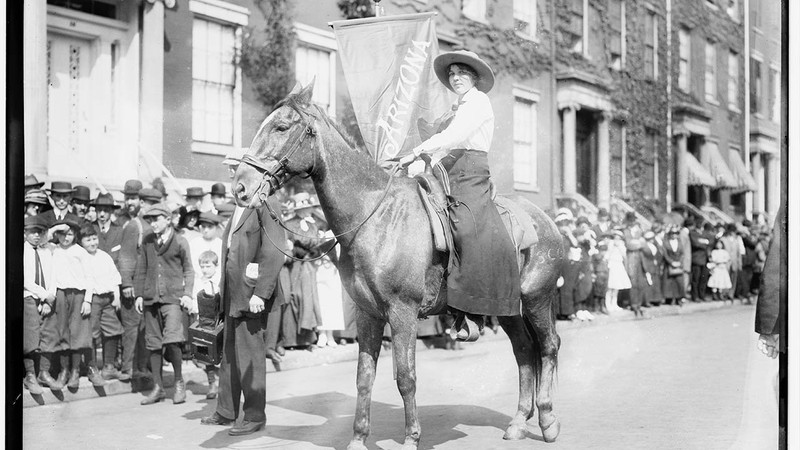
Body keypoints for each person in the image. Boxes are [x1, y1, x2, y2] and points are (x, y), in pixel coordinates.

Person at [396, 50, 520, 341]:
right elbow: (444, 147)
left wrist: (418, 149)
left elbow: (457, 135)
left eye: (461, 73)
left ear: (474, 77)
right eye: (451, 74)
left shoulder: (478, 102)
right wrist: (415, 164)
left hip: (472, 170)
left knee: (466, 228)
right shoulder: (455, 106)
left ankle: (473, 312)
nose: (455, 78)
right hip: (448, 166)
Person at [200, 196, 286, 436]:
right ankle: (226, 410)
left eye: (236, 168)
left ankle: (255, 415)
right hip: (231, 293)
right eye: (230, 170)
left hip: (251, 295)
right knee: (229, 355)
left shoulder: (265, 203)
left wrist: (260, 292)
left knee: (250, 356)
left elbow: (274, 250)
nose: (232, 175)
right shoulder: (237, 205)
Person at [134, 203, 195, 405]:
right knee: (153, 343)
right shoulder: (147, 241)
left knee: (172, 339)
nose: (153, 224)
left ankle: (178, 382)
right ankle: (158, 387)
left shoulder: (180, 241)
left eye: (156, 219)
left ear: (168, 219)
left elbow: (189, 270)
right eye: (149, 220)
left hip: (173, 298)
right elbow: (142, 268)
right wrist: (139, 295)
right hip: (151, 299)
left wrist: (187, 293)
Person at [50, 218, 105, 388]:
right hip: (60, 294)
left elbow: (89, 277)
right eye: (62, 234)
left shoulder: (80, 252)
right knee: (62, 332)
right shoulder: (53, 249)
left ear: (75, 235)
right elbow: (45, 239)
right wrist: (56, 228)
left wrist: (87, 300)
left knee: (78, 333)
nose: (66, 238)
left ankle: (75, 371)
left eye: (70, 234)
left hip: (78, 295)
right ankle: (63, 371)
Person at [118, 185, 161, 381]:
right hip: (133, 287)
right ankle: (127, 368)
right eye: (150, 204)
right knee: (131, 329)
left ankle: (142, 367)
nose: (153, 208)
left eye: (156, 204)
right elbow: (126, 257)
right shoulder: (135, 226)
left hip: (147, 287)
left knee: (145, 329)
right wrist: (127, 283)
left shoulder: (154, 226)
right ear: (142, 203)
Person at [79, 224, 124, 381]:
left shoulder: (104, 256)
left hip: (108, 298)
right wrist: (88, 301)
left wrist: (116, 295)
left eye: (94, 239)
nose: (92, 243)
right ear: (81, 242)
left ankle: (109, 366)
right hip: (92, 300)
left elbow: (114, 276)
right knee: (91, 333)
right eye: (88, 240)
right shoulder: (81, 258)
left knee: (112, 330)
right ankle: (92, 367)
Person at [23, 215, 56, 394]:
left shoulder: (46, 251)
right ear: (24, 232)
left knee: (48, 333)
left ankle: (44, 372)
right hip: (28, 295)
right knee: (31, 335)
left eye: (40, 232)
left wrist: (49, 298)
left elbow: (53, 276)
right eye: (32, 231)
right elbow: (25, 279)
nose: (36, 235)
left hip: (47, 298)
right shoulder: (21, 250)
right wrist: (43, 295)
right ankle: (30, 375)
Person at [192, 250, 222, 400]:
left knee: (221, 351)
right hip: (204, 320)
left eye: (208, 266)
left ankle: (224, 383)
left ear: (216, 266)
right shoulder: (199, 281)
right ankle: (212, 383)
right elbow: (194, 299)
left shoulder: (220, 281)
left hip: (219, 320)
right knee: (205, 352)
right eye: (202, 267)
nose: (205, 270)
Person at [605, 230, 631, 312]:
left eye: (619, 238)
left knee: (617, 286)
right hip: (612, 264)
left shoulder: (622, 245)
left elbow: (624, 255)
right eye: (616, 237)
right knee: (610, 286)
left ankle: (614, 303)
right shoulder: (610, 244)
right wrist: (613, 246)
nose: (617, 239)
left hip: (619, 265)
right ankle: (608, 304)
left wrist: (619, 247)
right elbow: (607, 255)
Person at [661, 225, 685, 305]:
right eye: (672, 233)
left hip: (678, 264)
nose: (674, 235)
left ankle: (679, 298)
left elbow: (682, 253)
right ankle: (669, 299)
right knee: (669, 282)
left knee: (679, 282)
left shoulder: (680, 242)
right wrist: (671, 262)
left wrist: (679, 262)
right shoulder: (666, 242)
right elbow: (665, 254)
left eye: (676, 233)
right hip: (669, 265)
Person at [689, 219, 712, 302]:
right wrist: (704, 242)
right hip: (697, 259)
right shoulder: (693, 233)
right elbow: (695, 243)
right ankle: (695, 296)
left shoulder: (704, 233)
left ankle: (701, 295)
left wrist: (702, 242)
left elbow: (710, 242)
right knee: (696, 279)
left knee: (703, 279)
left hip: (705, 259)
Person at [640, 230, 664, 310]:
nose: (652, 239)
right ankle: (647, 300)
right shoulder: (645, 247)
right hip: (648, 265)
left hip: (654, 265)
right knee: (648, 283)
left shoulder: (654, 246)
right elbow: (644, 258)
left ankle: (656, 299)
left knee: (656, 282)